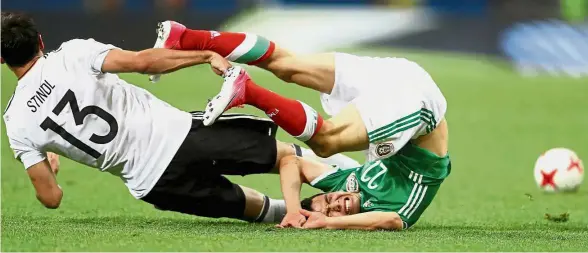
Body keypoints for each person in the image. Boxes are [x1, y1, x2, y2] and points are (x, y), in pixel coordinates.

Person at [0, 12, 361, 224]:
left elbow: (51, 198)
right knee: (285, 157)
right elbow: (143, 62)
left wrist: (52, 162)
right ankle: (358, 187)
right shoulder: (73, 54)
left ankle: (307, 213)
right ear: (41, 41)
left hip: (154, 184)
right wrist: (203, 55)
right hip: (179, 136)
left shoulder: (16, 121)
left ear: (2, 60)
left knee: (257, 211)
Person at [150, 21, 451, 230]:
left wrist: (295, 210)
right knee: (327, 140)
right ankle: (248, 91)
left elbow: (292, 162)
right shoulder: (397, 209)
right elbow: (390, 223)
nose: (336, 205)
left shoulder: (347, 185)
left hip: (400, 82)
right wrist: (328, 222)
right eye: (334, 210)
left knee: (287, 64)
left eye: (327, 203)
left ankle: (185, 37)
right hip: (421, 105)